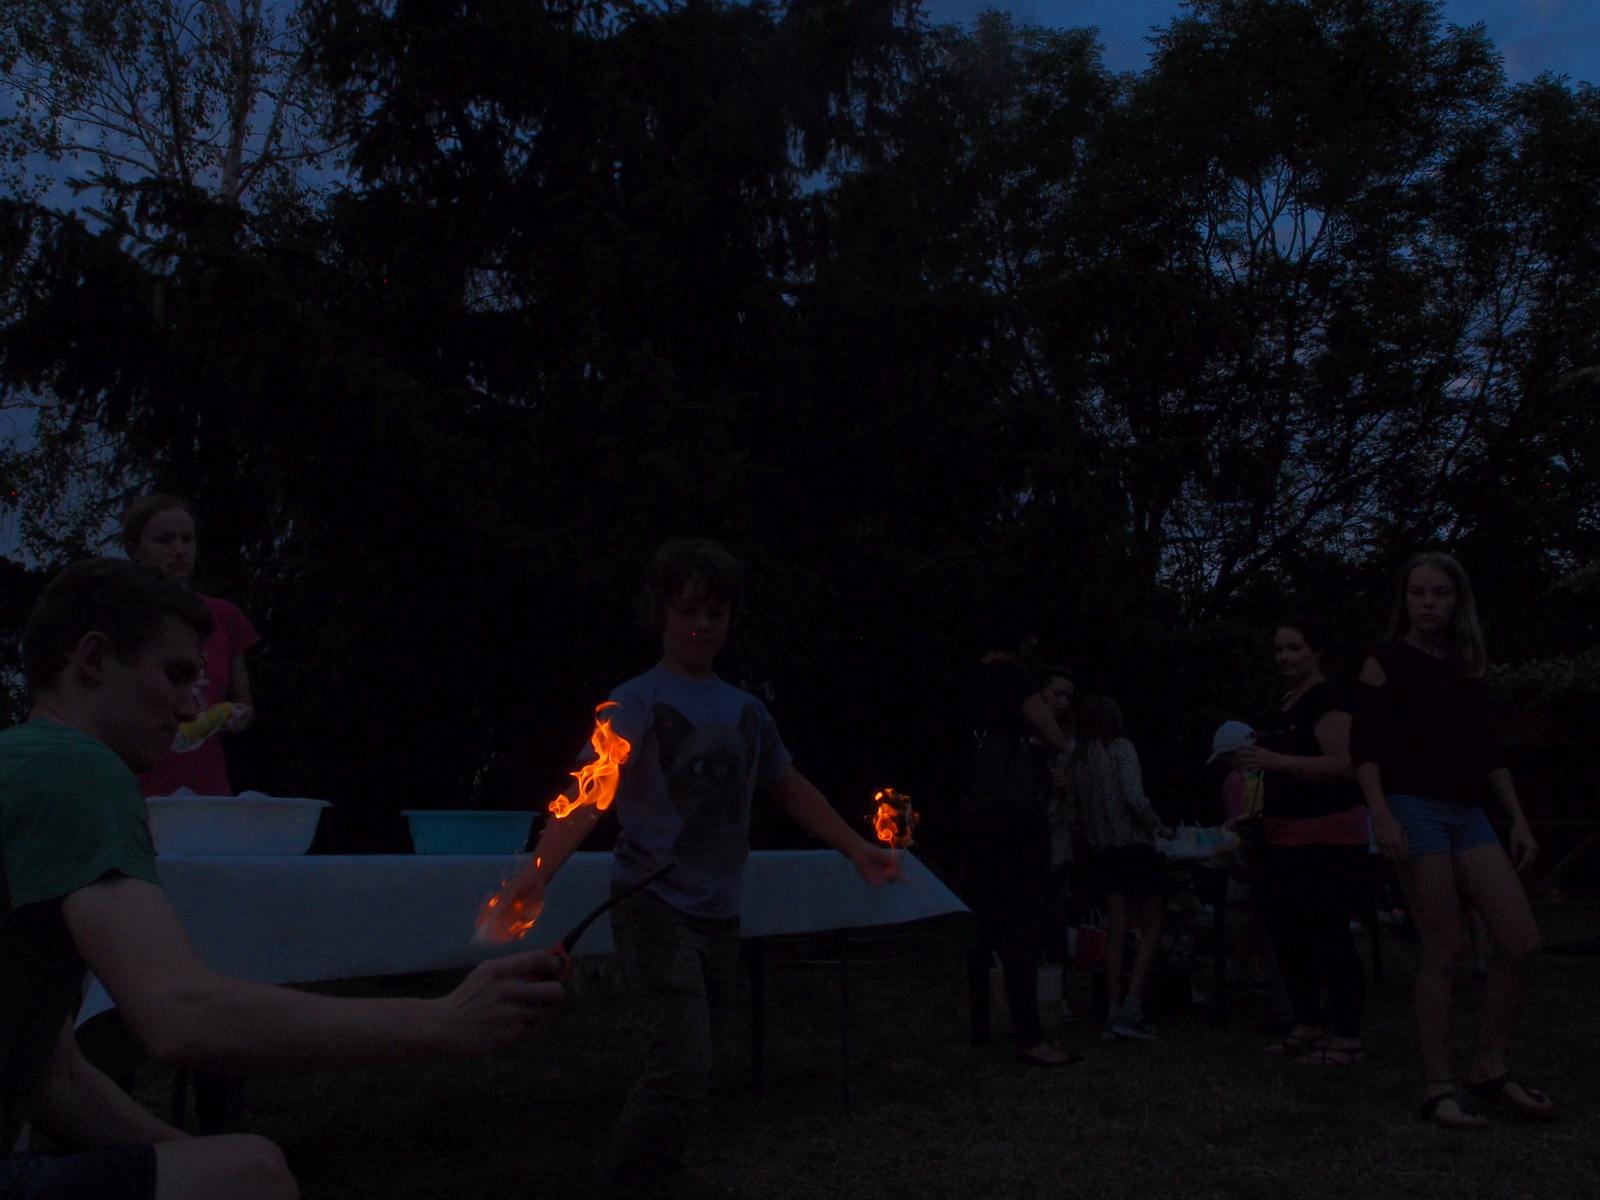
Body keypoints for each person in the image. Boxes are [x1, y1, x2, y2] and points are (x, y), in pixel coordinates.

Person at [1, 558, 564, 1200]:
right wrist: (441, 1020)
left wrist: (193, 1158)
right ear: (94, 658)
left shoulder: (23, 766)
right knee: (254, 1169)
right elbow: (176, 1011)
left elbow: (56, 1079)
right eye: (176, 675)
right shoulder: (76, 769)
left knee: (238, 1171)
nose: (190, 707)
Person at [500, 538, 897, 1196]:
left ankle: (662, 1174)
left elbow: (789, 785)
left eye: (717, 613)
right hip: (654, 907)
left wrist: (857, 847)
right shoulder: (634, 701)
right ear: (660, 611)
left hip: (719, 912)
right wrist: (540, 870)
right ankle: (628, 1182)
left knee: (695, 1067)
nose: (703, 625)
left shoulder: (747, 711)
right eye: (689, 611)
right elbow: (587, 796)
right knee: (681, 1067)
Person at [1351, 551, 1555, 1127]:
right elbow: (1364, 750)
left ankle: (1489, 1067)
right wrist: (1382, 817)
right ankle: (1437, 1086)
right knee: (1445, 948)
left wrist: (1517, 818)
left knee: (1519, 939)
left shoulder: (1467, 664)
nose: (1428, 603)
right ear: (1405, 599)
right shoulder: (1384, 662)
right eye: (1418, 592)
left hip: (1468, 813)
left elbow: (1488, 749)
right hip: (1413, 809)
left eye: (1439, 593)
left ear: (1457, 599)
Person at [1235, 616, 1367, 1066]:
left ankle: (1346, 1036)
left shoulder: (1327, 700)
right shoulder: (1286, 703)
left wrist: (1274, 760)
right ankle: (1307, 1022)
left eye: (1294, 648)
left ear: (1317, 652)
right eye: (1279, 649)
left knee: (1329, 934)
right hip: (1283, 837)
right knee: (1288, 934)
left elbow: (1344, 764)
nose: (1284, 657)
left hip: (1326, 835)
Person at [960, 616, 1079, 1067]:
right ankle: (1029, 1035)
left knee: (985, 915)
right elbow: (1055, 736)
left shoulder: (973, 679)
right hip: (1016, 811)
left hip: (978, 806)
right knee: (1023, 918)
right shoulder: (1013, 675)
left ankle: (980, 1026)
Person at [122, 494, 258, 797]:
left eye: (187, 539)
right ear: (135, 549)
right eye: (165, 540)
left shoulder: (224, 616)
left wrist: (229, 716)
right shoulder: (121, 619)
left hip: (206, 793)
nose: (179, 550)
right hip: (135, 793)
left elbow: (244, 705)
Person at [1071, 694, 1172, 1040]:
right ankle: (1132, 1007)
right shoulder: (1121, 749)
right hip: (1133, 847)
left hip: (1103, 852)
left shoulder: (1080, 758)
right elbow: (1133, 797)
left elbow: (1076, 812)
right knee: (1153, 921)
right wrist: (1158, 827)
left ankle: (1112, 1011)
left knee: (1117, 925)